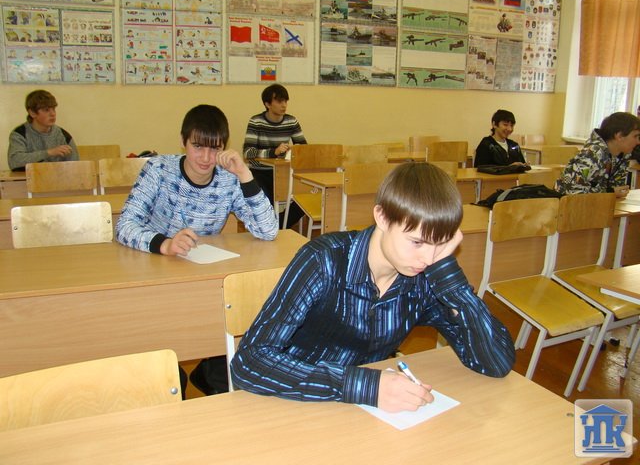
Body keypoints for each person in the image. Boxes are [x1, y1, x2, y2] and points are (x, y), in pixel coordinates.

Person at [230, 162, 515, 413]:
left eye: (440, 245)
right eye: (417, 242)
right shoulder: (324, 261)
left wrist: (452, 281)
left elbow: (495, 363)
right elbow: (250, 361)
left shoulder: (426, 276)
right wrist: (367, 386)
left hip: (366, 414)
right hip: (295, 401)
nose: (428, 258)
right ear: (382, 217)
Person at [116, 104, 279, 397]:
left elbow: (267, 230)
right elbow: (125, 224)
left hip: (202, 275)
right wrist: (164, 244)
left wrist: (244, 173)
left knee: (232, 319)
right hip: (154, 272)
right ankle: (172, 374)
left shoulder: (228, 179)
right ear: (183, 142)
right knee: (163, 354)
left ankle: (211, 371)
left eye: (214, 149)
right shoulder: (159, 170)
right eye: (197, 147)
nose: (205, 158)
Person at [243, 83, 307, 229]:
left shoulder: (291, 121)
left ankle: (276, 225)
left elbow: (304, 148)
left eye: (285, 101)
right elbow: (247, 153)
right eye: (279, 101)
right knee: (265, 203)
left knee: (304, 199)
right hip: (260, 172)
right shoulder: (256, 121)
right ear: (267, 104)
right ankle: (273, 225)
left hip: (285, 173)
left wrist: (295, 148)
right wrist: (273, 152)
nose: (284, 105)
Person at [555, 112, 640, 198]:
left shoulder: (623, 155)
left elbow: (616, 187)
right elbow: (572, 191)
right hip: (566, 203)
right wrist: (610, 192)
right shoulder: (591, 154)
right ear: (619, 136)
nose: (638, 142)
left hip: (600, 202)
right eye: (635, 136)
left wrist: (615, 192)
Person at [8, 89, 78, 171]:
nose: (53, 114)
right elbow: (14, 161)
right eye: (46, 110)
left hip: (58, 178)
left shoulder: (64, 135)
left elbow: (76, 166)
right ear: (32, 113)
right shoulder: (19, 134)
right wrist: (48, 153)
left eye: (53, 109)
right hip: (28, 178)